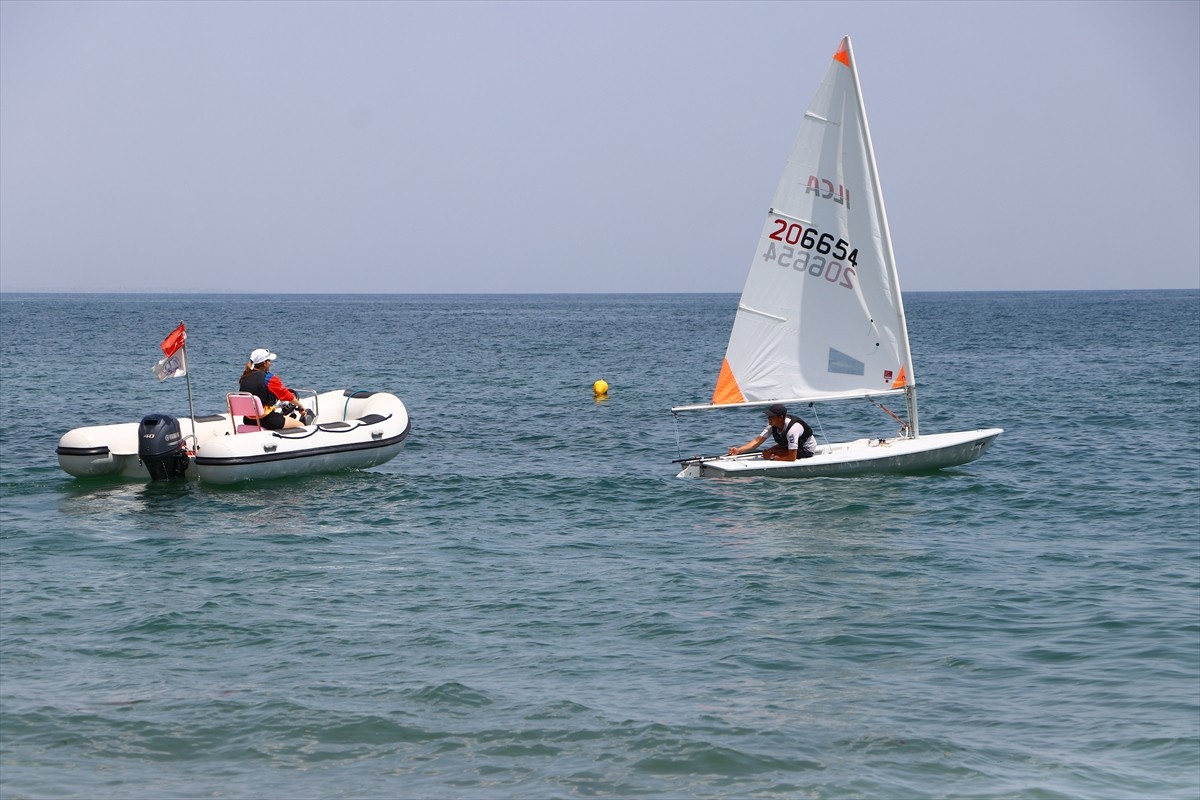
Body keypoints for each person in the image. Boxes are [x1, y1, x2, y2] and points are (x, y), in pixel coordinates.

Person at [238, 348, 310, 430]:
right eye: (269, 361)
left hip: (248, 420)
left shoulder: (244, 377)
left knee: (284, 418)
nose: (270, 363)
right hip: (266, 420)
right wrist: (300, 405)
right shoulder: (269, 378)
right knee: (301, 426)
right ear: (264, 363)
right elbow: (286, 395)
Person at [728, 404, 817, 461]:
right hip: (790, 444)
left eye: (771, 416)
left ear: (781, 417)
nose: (768, 418)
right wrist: (739, 450)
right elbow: (757, 441)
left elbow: (792, 457)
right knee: (769, 451)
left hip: (806, 449)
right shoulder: (772, 425)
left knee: (770, 454)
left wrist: (772, 457)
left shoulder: (793, 429)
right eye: (768, 416)